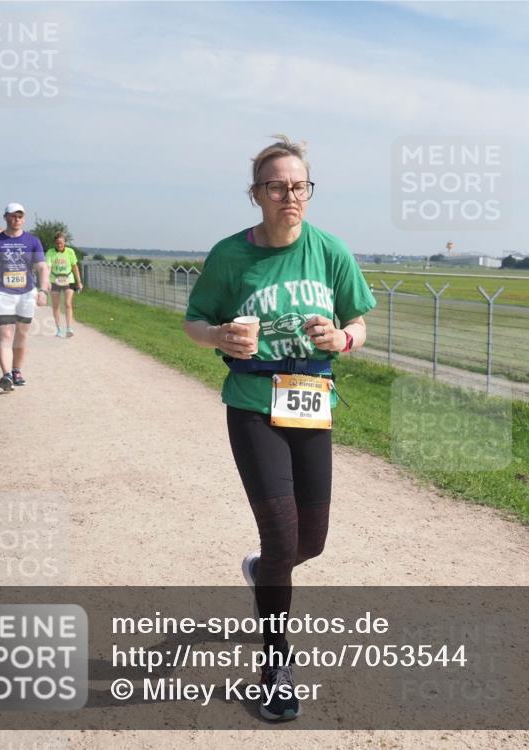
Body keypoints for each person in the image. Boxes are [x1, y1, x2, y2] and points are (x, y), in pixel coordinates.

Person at [184, 135, 376, 722]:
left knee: (309, 543)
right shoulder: (229, 255)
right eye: (277, 186)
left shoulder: (330, 251)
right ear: (256, 194)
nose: (289, 195)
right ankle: (274, 665)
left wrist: (341, 338)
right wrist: (219, 337)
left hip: (312, 402)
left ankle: (262, 572)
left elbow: (359, 322)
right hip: (252, 403)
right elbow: (195, 321)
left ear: (308, 192)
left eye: (299, 186)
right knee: (282, 540)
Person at [0, 203, 50, 391]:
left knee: (22, 335)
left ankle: (17, 370)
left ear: (23, 219)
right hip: (2, 293)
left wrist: (42, 291)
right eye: (12, 216)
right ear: (5, 217)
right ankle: (6, 375)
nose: (16, 220)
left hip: (26, 293)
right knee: (6, 334)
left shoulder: (33, 241)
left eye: (20, 216)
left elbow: (42, 267)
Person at [45, 232, 84, 337]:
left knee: (67, 303)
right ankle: (59, 329)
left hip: (68, 280)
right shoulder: (50, 252)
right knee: (56, 305)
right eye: (57, 243)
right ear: (54, 243)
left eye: (61, 243)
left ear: (65, 243)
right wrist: (46, 280)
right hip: (54, 280)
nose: (59, 245)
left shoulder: (70, 252)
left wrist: (79, 281)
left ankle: (69, 328)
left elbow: (75, 267)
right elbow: (48, 267)